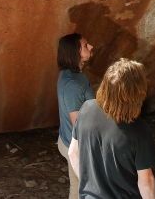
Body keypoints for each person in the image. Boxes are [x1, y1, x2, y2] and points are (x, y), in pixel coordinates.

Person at [68, 58, 155, 199]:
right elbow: (145, 181)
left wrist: (89, 185)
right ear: (136, 94)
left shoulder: (86, 108)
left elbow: (73, 153)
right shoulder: (139, 130)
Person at [56, 33, 95, 199]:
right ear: (75, 52)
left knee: (78, 186)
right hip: (77, 146)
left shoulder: (71, 75)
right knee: (90, 189)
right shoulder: (72, 84)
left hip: (67, 140)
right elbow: (79, 125)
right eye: (85, 45)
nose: (91, 46)